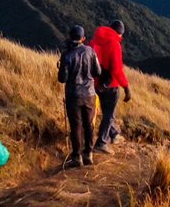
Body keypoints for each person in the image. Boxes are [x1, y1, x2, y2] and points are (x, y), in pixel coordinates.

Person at [57, 25, 102, 168]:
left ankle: (77, 157)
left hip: (73, 95)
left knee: (76, 126)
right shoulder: (91, 51)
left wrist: (60, 67)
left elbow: (62, 79)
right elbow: (98, 72)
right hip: (89, 94)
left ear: (70, 37)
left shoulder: (67, 55)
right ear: (83, 38)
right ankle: (88, 153)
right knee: (89, 125)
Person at [90, 20, 132, 153]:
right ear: (119, 34)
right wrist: (126, 87)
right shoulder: (115, 44)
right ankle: (101, 143)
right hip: (110, 85)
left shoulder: (95, 40)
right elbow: (117, 70)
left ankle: (114, 134)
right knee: (109, 114)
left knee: (106, 112)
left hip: (96, 84)